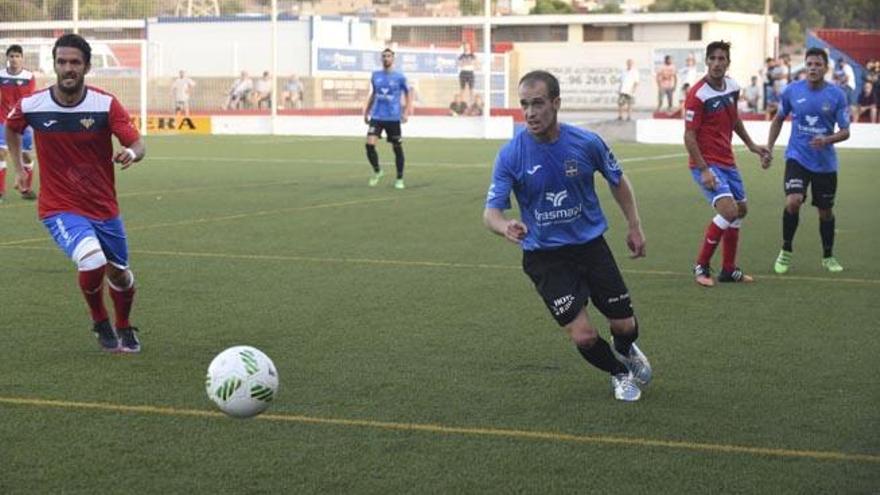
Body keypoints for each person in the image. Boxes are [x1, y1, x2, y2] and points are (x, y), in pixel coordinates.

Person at [482, 70, 652, 402]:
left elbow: (617, 180)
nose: (530, 113)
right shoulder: (511, 154)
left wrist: (634, 225)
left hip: (590, 247)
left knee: (624, 326)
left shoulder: (586, 143)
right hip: (545, 257)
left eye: (538, 104)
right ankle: (619, 374)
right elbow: (491, 213)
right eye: (525, 105)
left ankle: (626, 348)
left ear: (556, 103)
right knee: (584, 337)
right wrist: (505, 227)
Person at [5, 34, 146, 352]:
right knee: (91, 258)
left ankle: (123, 325)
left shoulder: (104, 104)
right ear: (54, 64)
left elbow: (137, 143)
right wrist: (19, 169)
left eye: (75, 62)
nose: (68, 68)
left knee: (120, 275)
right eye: (62, 62)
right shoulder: (33, 104)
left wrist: (132, 154)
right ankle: (100, 320)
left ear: (87, 66)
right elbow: (11, 128)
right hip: (59, 206)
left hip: (103, 206)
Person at [684, 40, 770, 287]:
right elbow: (689, 136)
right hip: (706, 163)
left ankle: (729, 269)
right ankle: (701, 266)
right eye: (713, 58)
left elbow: (735, 121)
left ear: (728, 63)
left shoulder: (732, 87)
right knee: (729, 211)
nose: (717, 63)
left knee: (741, 210)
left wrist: (753, 146)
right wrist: (704, 170)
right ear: (707, 62)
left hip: (727, 161)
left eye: (722, 59)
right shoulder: (697, 94)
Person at [765, 47, 851, 274]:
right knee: (793, 201)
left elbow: (845, 131)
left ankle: (828, 256)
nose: (813, 68)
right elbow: (778, 120)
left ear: (825, 68)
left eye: (817, 64)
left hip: (825, 164)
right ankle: (785, 250)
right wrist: (769, 148)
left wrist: (827, 139)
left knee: (825, 212)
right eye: (809, 64)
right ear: (805, 66)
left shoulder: (837, 95)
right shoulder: (792, 90)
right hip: (797, 157)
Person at [363, 48, 412, 190]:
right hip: (377, 116)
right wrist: (366, 112)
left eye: (389, 56)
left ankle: (399, 178)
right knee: (369, 145)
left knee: (397, 148)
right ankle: (378, 171)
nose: (386, 58)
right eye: (384, 56)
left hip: (393, 117)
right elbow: (374, 94)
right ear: (381, 59)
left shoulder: (400, 77)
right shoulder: (375, 75)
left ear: (393, 59)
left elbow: (408, 94)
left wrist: (406, 112)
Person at [0, 44, 37, 202]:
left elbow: (31, 100)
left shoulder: (29, 77)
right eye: (11, 56)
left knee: (25, 156)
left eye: (17, 56)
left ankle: (25, 187)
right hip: (3, 119)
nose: (14, 59)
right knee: (1, 152)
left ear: (22, 58)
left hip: (23, 121)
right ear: (7, 58)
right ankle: (0, 191)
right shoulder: (1, 75)